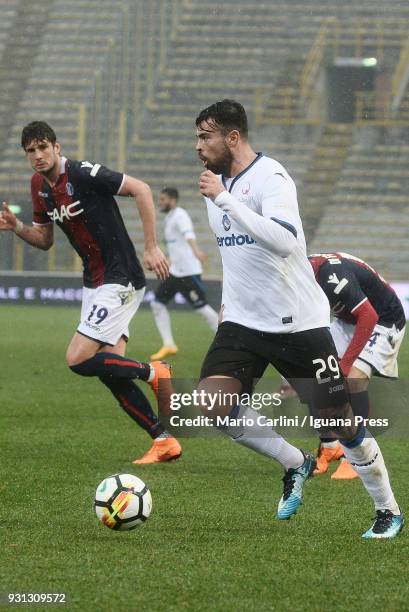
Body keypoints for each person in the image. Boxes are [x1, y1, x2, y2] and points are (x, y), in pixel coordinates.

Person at [194, 99, 403, 538]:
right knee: (211, 402)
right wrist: (227, 313)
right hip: (244, 324)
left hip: (299, 325)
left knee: (339, 420)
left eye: (205, 136)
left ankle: (388, 510)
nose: (199, 146)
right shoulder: (218, 190)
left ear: (232, 137)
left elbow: (286, 242)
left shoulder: (270, 177)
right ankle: (295, 462)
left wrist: (227, 200)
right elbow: (238, 262)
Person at [0, 121, 181, 465]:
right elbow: (44, 239)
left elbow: (141, 189)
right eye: (30, 151)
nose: (37, 156)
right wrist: (18, 227)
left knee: (78, 358)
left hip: (121, 277)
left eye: (42, 147)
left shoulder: (83, 173)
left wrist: (152, 247)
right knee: (110, 370)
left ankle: (154, 372)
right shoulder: (40, 185)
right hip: (94, 283)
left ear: (56, 146)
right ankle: (163, 440)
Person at [307, 252, 406, 479]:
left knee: (353, 378)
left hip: (383, 319)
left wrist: (346, 362)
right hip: (347, 319)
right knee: (316, 370)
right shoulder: (297, 274)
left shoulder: (331, 275)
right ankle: (331, 446)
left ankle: (357, 455)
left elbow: (368, 315)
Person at [150, 187, 219, 360]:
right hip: (175, 273)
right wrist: (164, 261)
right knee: (157, 303)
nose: (161, 202)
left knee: (203, 309)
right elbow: (175, 246)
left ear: (173, 199)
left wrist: (196, 251)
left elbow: (188, 235)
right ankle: (169, 344)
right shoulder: (169, 218)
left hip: (189, 273)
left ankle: (230, 339)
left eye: (163, 199)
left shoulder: (180, 215)